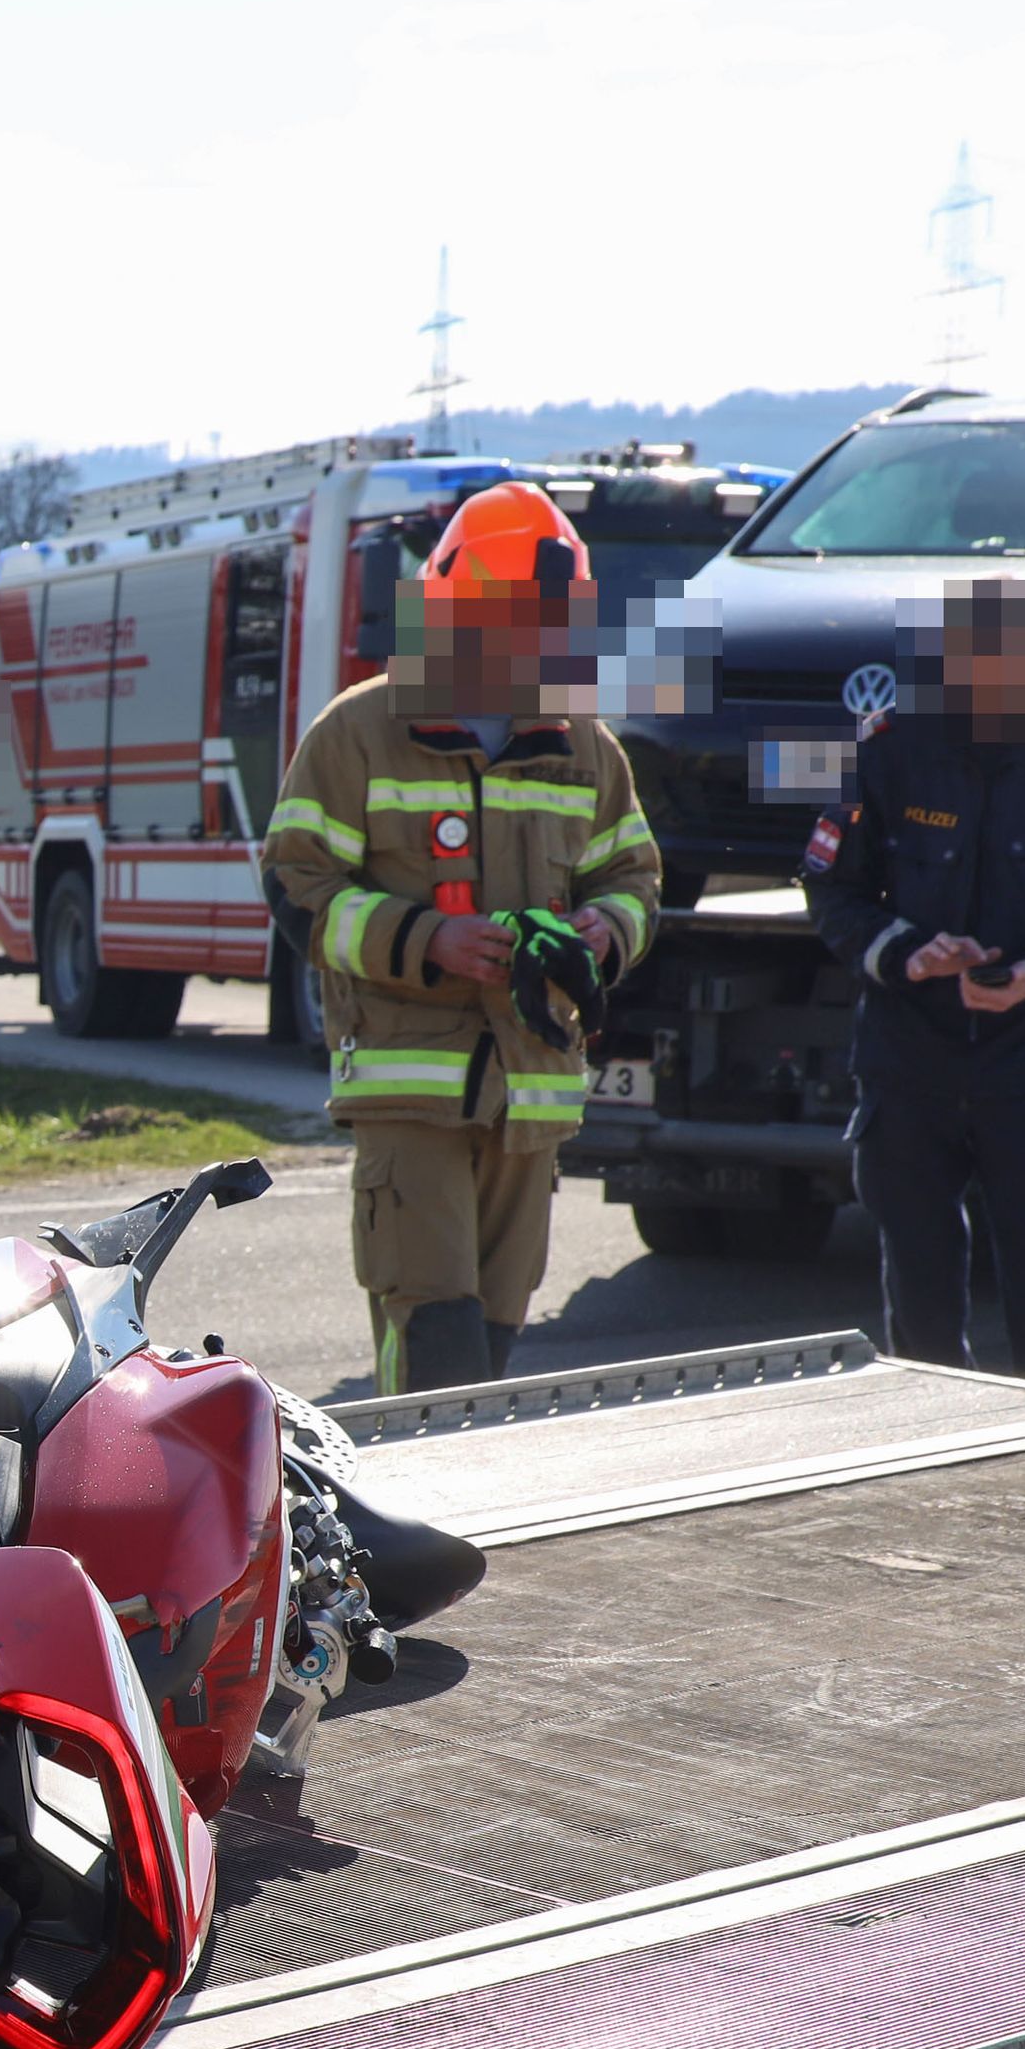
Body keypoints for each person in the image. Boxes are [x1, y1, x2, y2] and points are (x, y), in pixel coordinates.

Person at [262, 482, 663, 1393]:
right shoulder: (361, 730)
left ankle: (464, 1523)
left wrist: (604, 932)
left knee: (492, 1348)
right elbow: (295, 886)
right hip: (412, 1100)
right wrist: (426, 941)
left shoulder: (586, 747)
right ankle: (410, 1517)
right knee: (433, 1341)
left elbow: (636, 879)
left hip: (532, 1098)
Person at [801, 576, 1025, 1381]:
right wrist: (906, 952)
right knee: (921, 1339)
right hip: (907, 1067)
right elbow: (832, 888)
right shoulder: (884, 746)